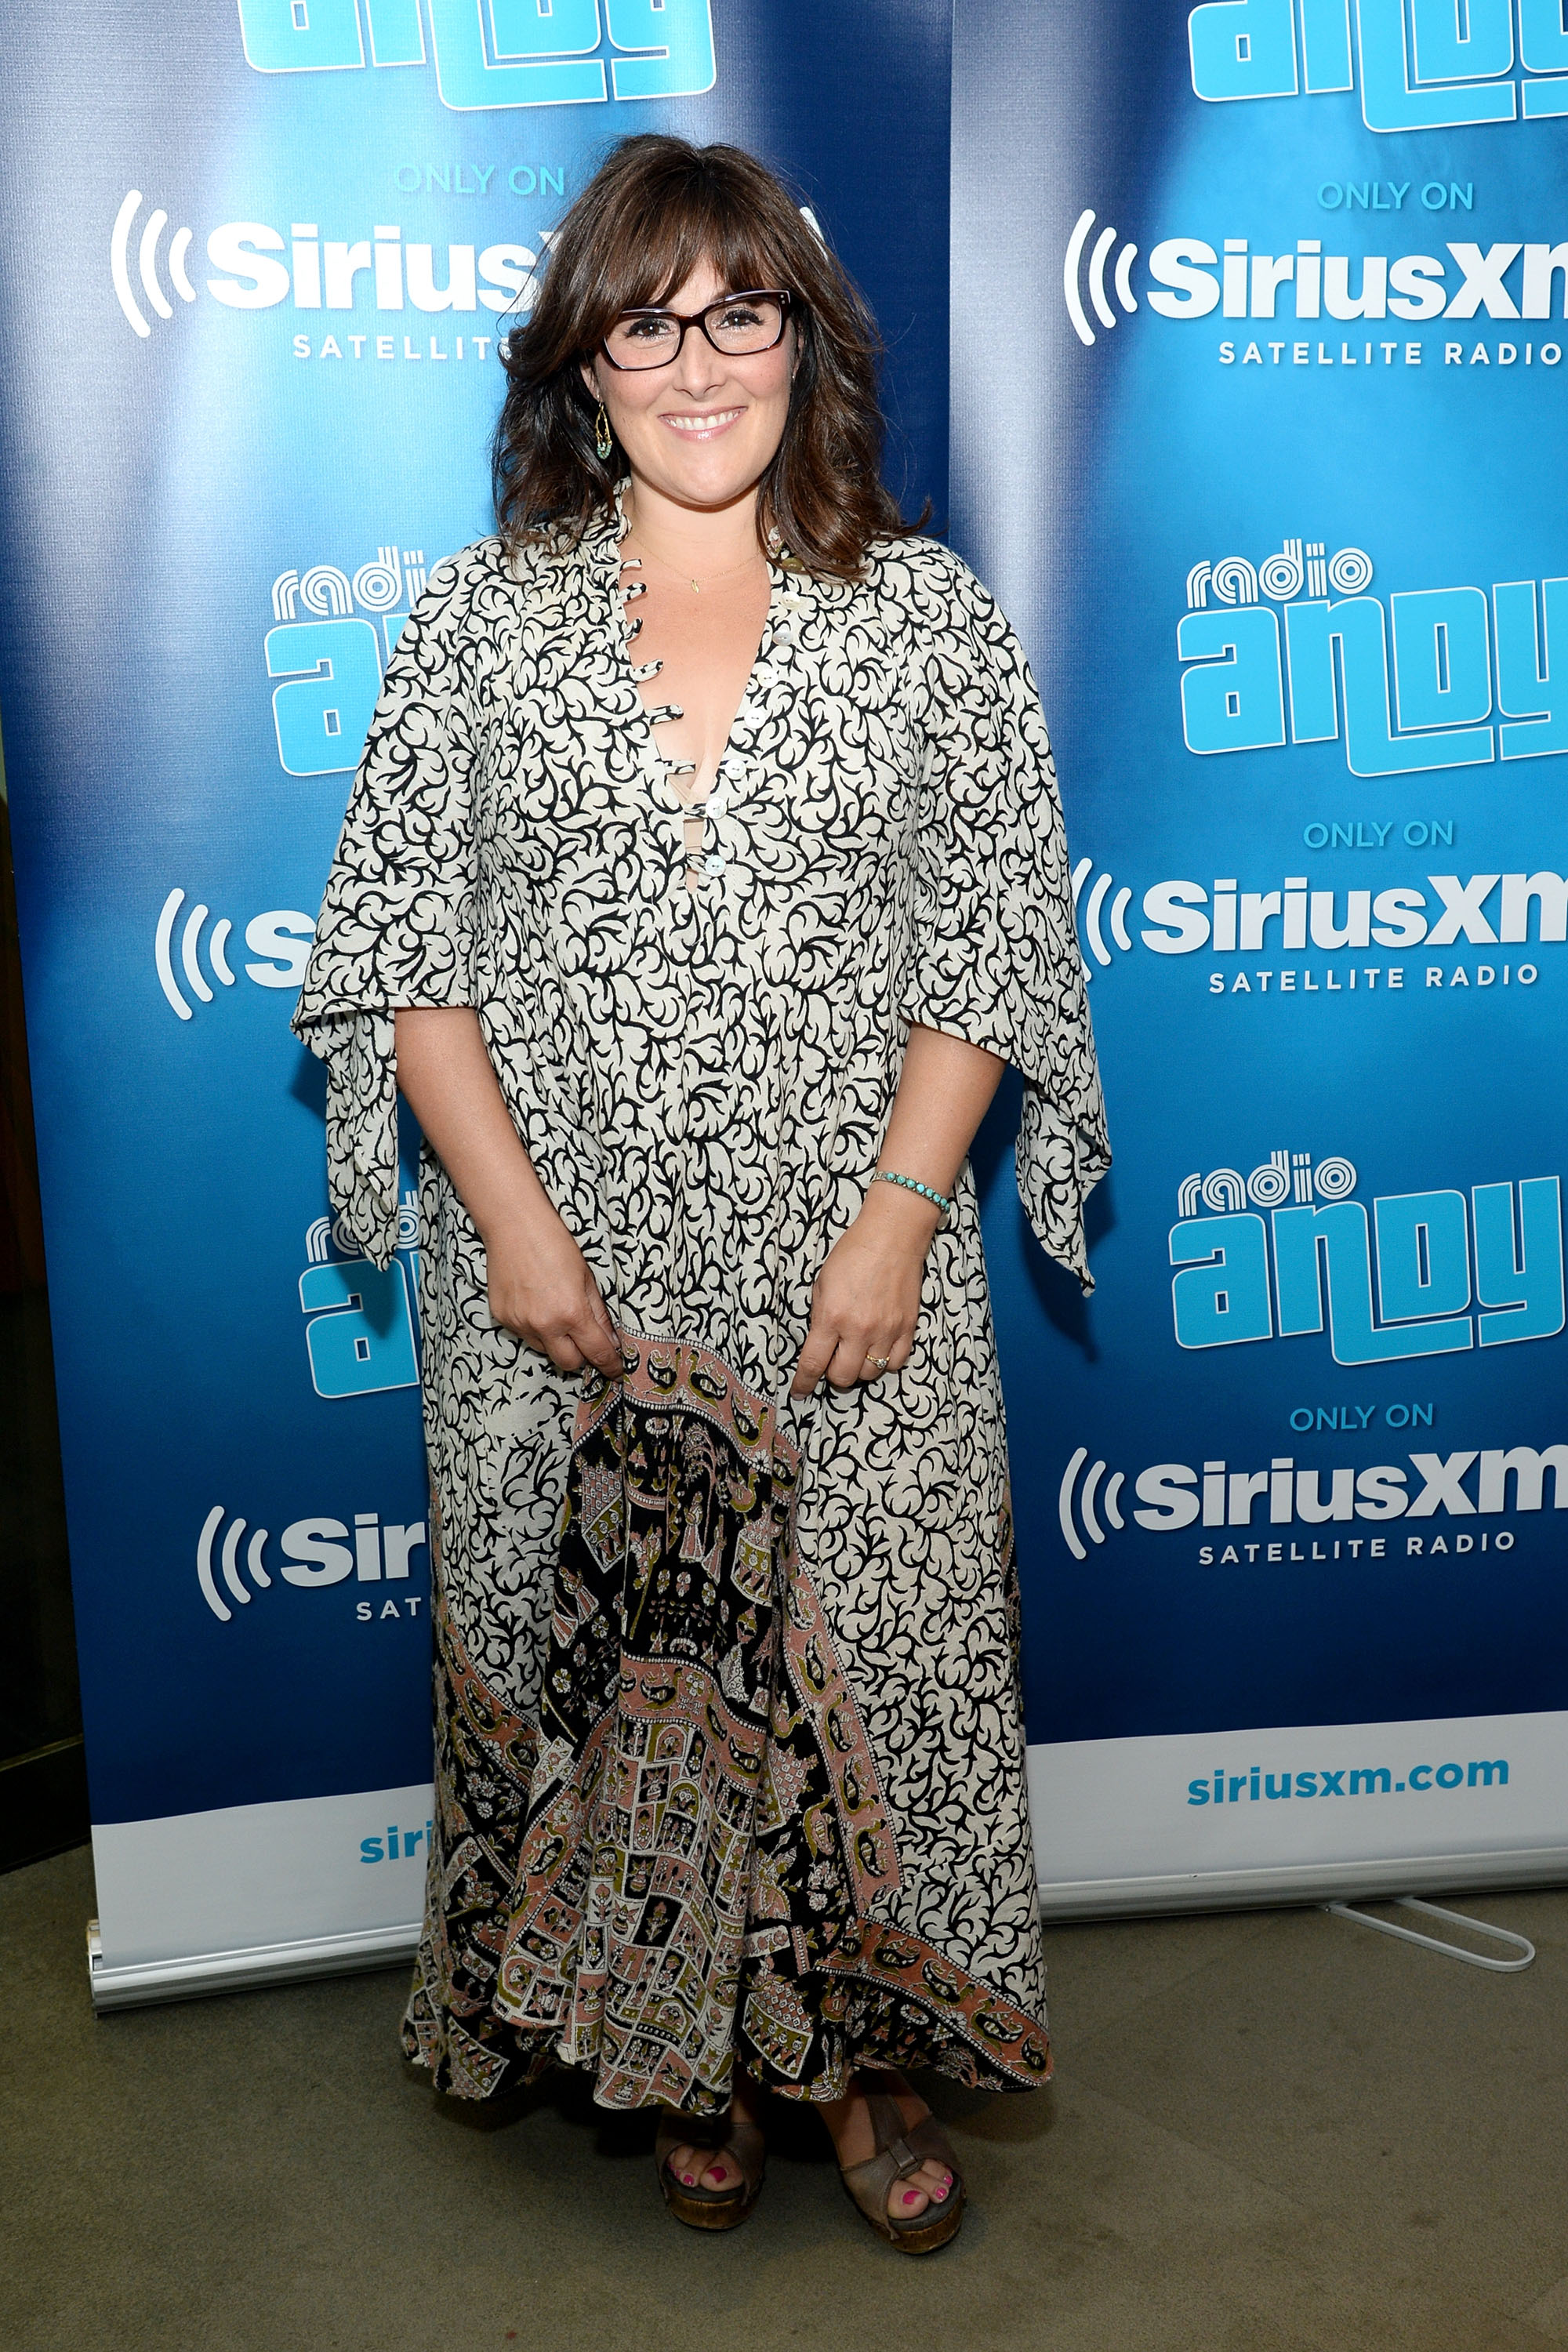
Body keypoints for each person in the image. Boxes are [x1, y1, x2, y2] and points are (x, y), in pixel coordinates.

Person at [294, 132, 1106, 2254]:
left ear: (803, 342)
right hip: (556, 1301)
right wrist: (522, 1234)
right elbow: (406, 956)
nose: (695, 359)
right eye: (645, 320)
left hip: (858, 1295)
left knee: (880, 1667)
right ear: (583, 364)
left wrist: (902, 1215)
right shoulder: (472, 628)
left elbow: (990, 946)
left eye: (738, 310)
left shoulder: (925, 620)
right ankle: (676, 2057)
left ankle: (860, 2063)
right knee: (625, 1691)